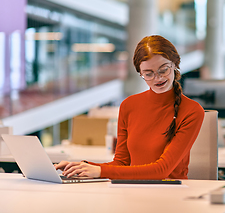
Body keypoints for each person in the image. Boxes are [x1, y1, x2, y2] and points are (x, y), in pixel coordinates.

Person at [55, 35, 205, 179]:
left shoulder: (192, 111)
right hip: (132, 189)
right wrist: (81, 167)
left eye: (163, 69)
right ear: (141, 74)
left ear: (175, 64)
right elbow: (121, 163)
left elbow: (162, 170)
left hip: (172, 194)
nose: (157, 78)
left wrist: (99, 171)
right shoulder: (129, 105)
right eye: (148, 73)